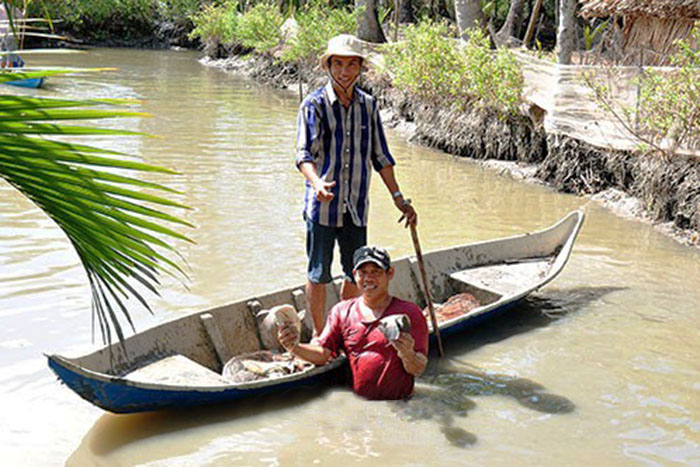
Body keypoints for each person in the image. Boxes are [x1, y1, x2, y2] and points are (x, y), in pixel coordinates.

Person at [295, 34, 417, 335]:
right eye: (338, 64)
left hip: (356, 206)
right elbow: (303, 155)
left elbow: (381, 157)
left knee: (355, 273)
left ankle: (342, 329)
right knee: (319, 272)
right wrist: (316, 182)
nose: (344, 72)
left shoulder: (369, 106)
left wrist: (399, 198)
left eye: (351, 65)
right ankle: (319, 333)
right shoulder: (314, 105)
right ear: (329, 67)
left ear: (360, 68)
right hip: (322, 206)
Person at [278, 245, 428, 400]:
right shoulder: (341, 311)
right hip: (362, 406)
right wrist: (294, 346)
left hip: (402, 403)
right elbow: (323, 354)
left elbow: (418, 369)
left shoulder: (409, 312)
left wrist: (407, 353)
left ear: (389, 273)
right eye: (363, 272)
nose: (369, 278)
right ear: (355, 275)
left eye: (376, 272)